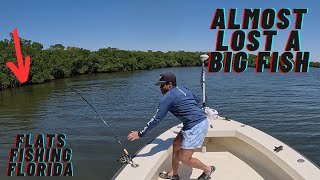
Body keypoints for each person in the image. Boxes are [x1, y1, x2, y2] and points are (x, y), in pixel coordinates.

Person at [127, 72, 215, 180]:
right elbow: (197, 100)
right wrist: (190, 109)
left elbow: (156, 119)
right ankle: (173, 173)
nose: (160, 87)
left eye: (161, 85)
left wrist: (140, 133)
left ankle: (208, 169)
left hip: (197, 125)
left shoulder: (167, 98)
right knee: (176, 144)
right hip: (191, 123)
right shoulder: (184, 89)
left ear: (169, 84)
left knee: (184, 158)